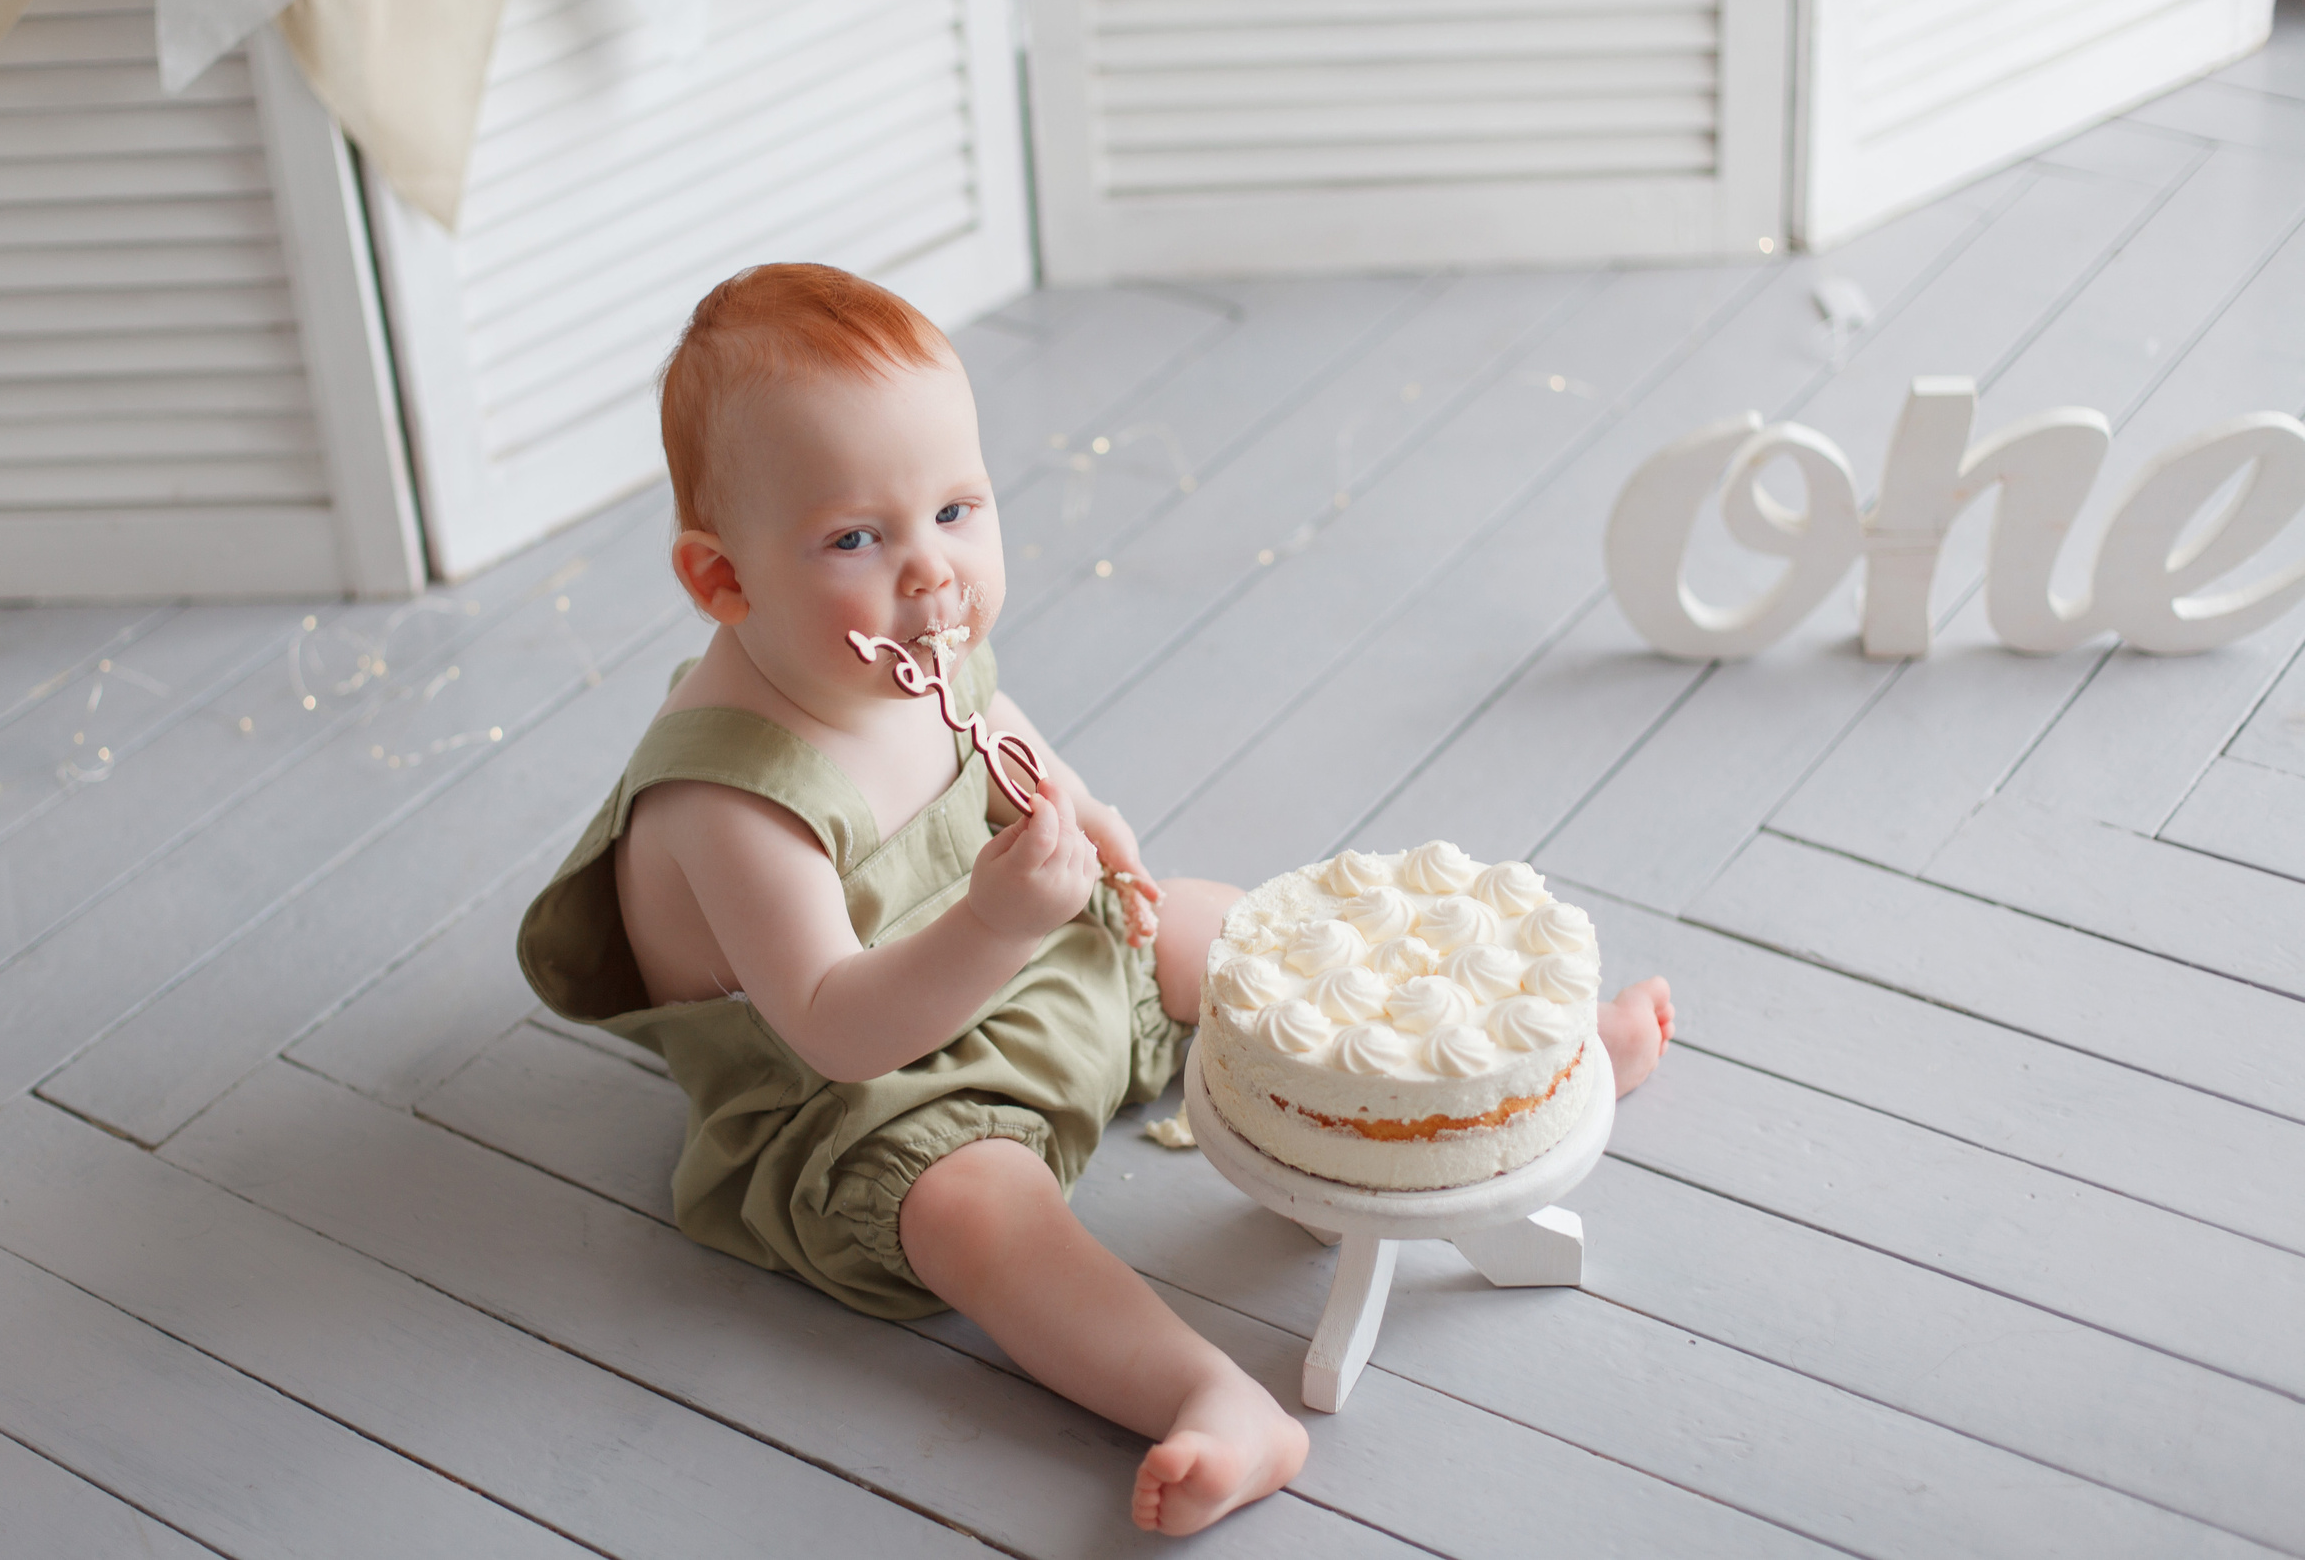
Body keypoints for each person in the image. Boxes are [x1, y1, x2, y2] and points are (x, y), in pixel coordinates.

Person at [517, 264, 1675, 1534]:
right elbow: (836, 1027)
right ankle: (1211, 1398)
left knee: (1228, 928)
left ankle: (1491, 1089)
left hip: (1030, 962)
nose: (933, 574)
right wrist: (995, 922)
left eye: (957, 508)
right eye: (859, 537)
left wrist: (1089, 817)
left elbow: (993, 730)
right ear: (722, 583)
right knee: (977, 1215)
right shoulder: (731, 801)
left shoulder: (909, 647)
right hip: (873, 1099)